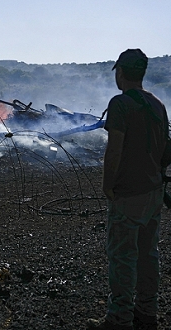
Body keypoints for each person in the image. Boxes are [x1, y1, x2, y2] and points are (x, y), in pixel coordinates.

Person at [87, 49, 169, 330]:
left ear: (120, 72)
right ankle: (146, 314)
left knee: (122, 258)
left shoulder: (120, 104)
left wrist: (108, 185)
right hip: (153, 191)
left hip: (128, 194)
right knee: (148, 255)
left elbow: (114, 150)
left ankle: (119, 319)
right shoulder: (158, 105)